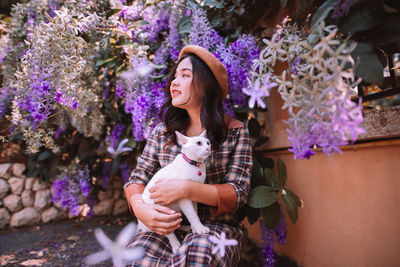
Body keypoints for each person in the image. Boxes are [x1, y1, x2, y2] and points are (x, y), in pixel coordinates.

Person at [123, 45, 252, 266]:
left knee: (198, 255)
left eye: (185, 75)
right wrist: (140, 207)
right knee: (136, 258)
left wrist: (186, 189)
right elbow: (138, 178)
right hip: (164, 226)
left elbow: (238, 193)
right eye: (175, 76)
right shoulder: (162, 133)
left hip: (216, 227)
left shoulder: (234, 131)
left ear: (206, 85)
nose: (174, 81)